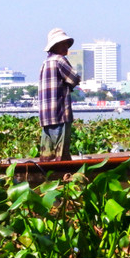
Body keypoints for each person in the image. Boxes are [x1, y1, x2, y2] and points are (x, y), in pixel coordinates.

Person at [38, 28, 81, 161]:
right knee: (61, 156)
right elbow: (75, 78)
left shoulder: (44, 63)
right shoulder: (60, 60)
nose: (66, 47)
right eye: (63, 44)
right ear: (56, 46)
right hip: (60, 114)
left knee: (47, 156)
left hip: (46, 116)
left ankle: (48, 179)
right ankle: (63, 178)